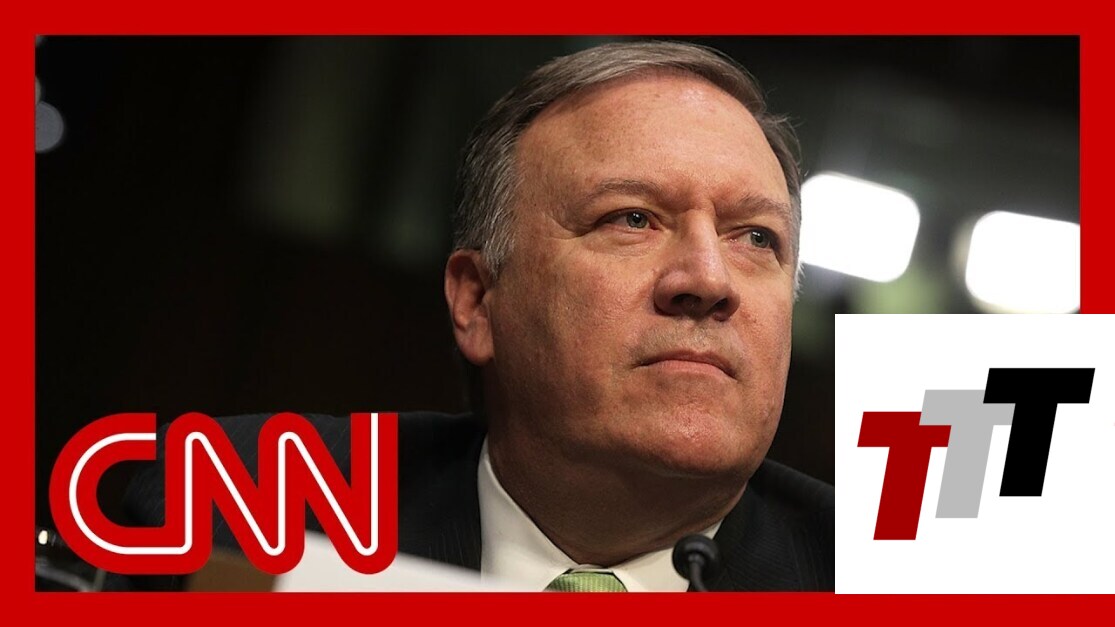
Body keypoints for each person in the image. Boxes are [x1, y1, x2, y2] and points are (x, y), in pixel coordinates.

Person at [121, 40, 832, 592]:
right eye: (633, 219)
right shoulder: (229, 507)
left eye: (755, 237)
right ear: (477, 301)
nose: (708, 280)